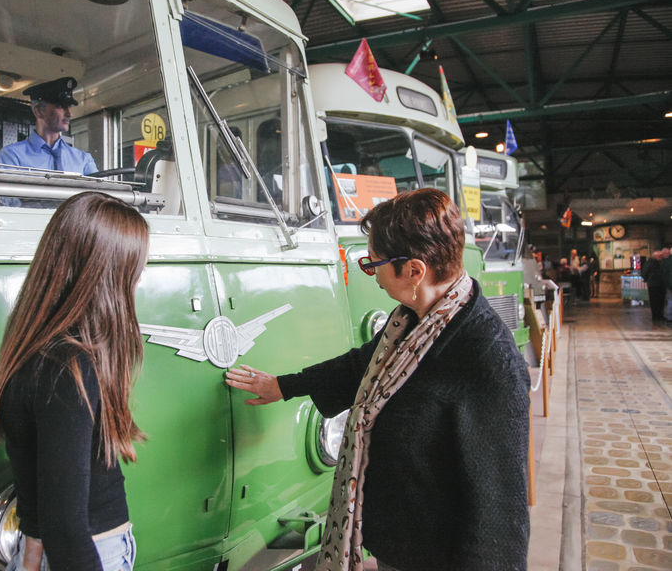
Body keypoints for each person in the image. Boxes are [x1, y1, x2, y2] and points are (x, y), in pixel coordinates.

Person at [226, 189, 530, 571]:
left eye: (375, 265)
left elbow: (499, 505)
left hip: (439, 557)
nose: (373, 276)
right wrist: (284, 386)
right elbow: (363, 365)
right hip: (399, 541)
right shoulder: (412, 321)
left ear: (415, 270)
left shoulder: (489, 360)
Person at [0, 192, 148, 570]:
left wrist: (34, 540)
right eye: (131, 268)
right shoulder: (70, 368)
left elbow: (45, 490)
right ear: (105, 275)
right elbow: (67, 527)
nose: (137, 279)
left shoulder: (35, 352)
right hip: (94, 551)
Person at [0, 77, 99, 175]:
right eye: (60, 107)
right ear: (38, 110)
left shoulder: (83, 159)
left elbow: (97, 191)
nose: (69, 114)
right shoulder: (13, 156)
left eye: (69, 107)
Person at [642, 250, 666, 322]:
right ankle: (656, 316)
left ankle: (659, 315)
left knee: (661, 301)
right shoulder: (650, 263)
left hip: (661, 284)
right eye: (660, 256)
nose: (661, 257)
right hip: (653, 285)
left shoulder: (661, 262)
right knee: (654, 301)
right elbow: (644, 272)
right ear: (655, 256)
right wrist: (647, 279)